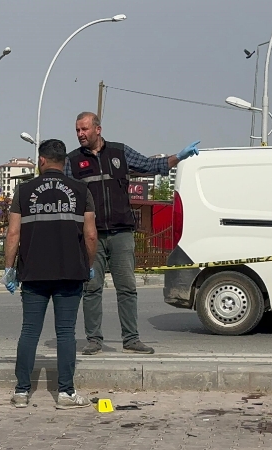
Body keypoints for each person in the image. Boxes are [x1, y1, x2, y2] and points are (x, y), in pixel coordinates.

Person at [64, 111, 200, 356]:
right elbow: (63, 193)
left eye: (84, 129)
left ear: (98, 129)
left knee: (127, 288)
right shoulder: (72, 161)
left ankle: (131, 339)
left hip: (122, 234)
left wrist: (178, 157)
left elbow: (150, 165)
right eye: (77, 130)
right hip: (90, 236)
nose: (80, 134)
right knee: (91, 289)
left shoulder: (120, 152)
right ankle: (94, 340)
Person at [4, 138, 98, 409]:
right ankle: (66, 394)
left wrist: (9, 269)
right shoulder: (81, 190)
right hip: (70, 272)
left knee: (30, 331)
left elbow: (13, 233)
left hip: (33, 273)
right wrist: (88, 264)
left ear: (41, 161)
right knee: (66, 332)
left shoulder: (23, 191)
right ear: (65, 162)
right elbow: (91, 235)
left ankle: (22, 392)